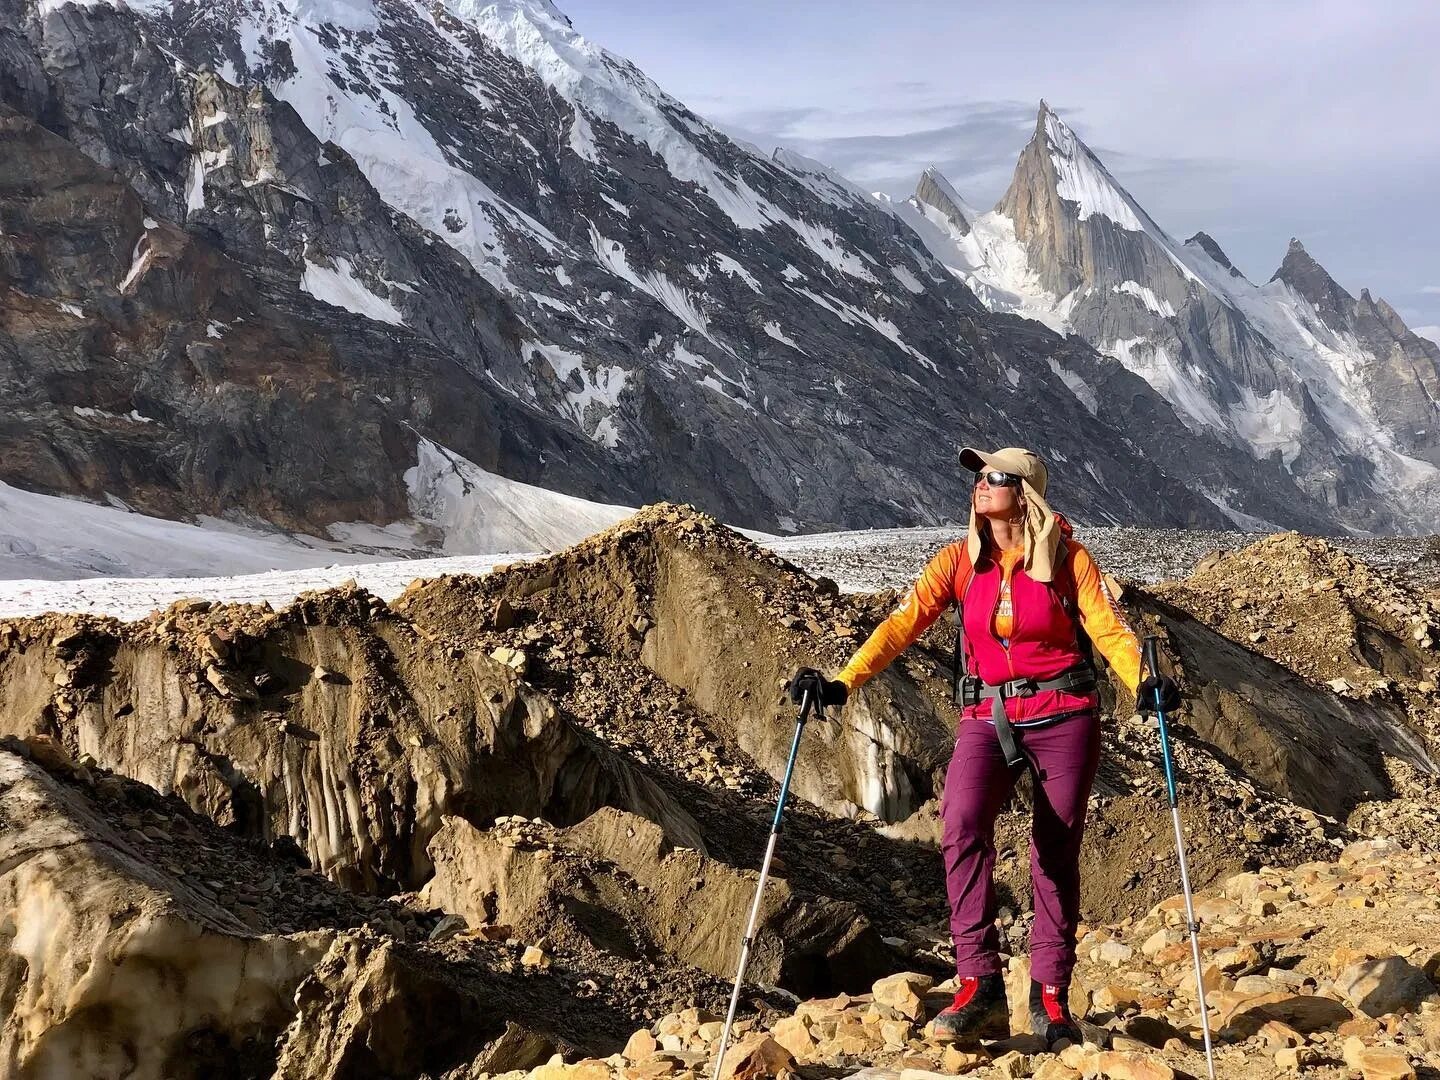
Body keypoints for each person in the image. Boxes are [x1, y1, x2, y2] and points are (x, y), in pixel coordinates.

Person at [789, 447, 1179, 1049]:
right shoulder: (958, 563)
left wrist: (1143, 681)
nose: (980, 484)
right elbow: (903, 622)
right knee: (961, 825)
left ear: (1026, 492)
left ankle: (1050, 994)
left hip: (1064, 713)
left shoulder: (1069, 560)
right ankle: (980, 983)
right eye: (978, 476)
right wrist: (844, 681)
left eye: (994, 476)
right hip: (987, 712)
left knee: (1054, 849)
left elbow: (1107, 628)